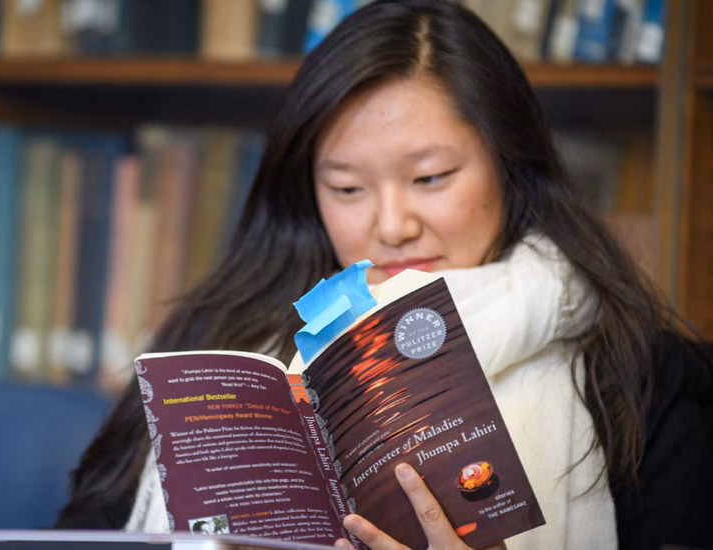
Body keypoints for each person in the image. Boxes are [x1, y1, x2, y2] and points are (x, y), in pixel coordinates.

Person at [55, 1, 713, 549]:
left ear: (512, 169)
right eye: (346, 188)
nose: (391, 225)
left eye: (431, 178)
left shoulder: (643, 380)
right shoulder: (218, 336)